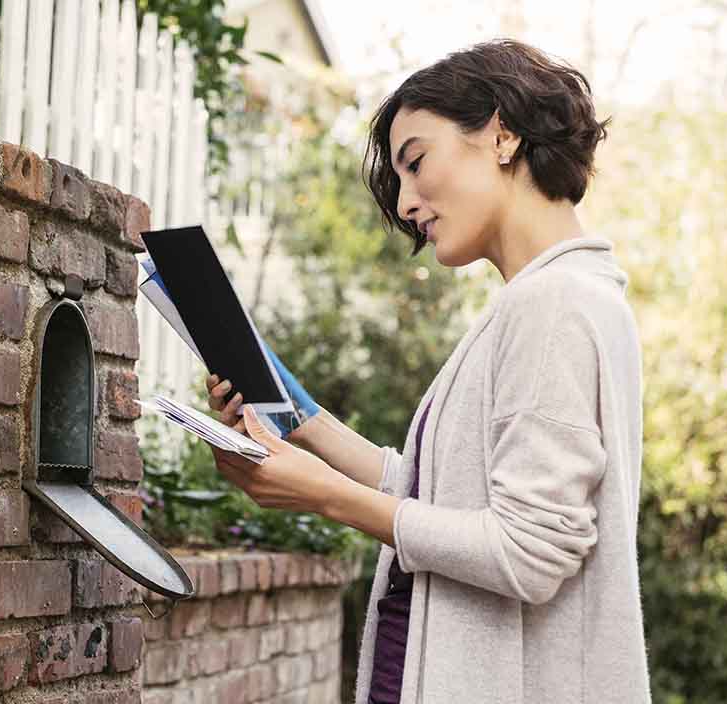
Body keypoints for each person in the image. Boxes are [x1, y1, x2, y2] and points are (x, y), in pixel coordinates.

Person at [204, 39, 651, 704]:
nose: (407, 203)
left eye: (416, 163)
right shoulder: (539, 302)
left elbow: (528, 552)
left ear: (501, 135)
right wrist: (304, 424)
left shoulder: (554, 305)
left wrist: (320, 496)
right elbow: (440, 498)